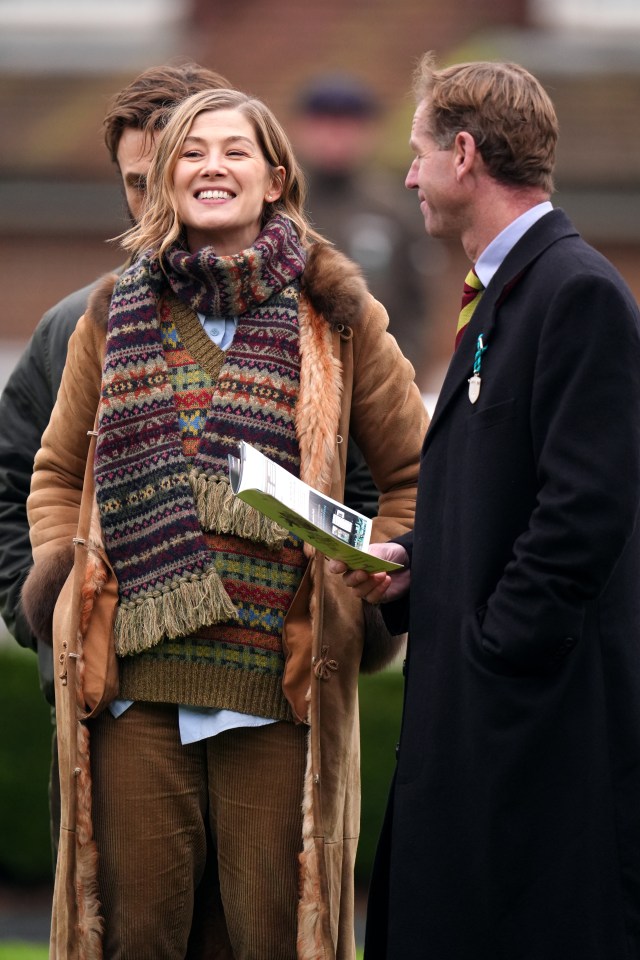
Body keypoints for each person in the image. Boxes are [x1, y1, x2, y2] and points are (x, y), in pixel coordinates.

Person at [23, 87, 428, 959]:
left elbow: (415, 475)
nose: (212, 166)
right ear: (165, 180)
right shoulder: (111, 310)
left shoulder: (340, 318)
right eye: (191, 152)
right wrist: (60, 575)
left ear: (276, 178)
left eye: (235, 151)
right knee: (135, 940)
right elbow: (55, 470)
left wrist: (371, 574)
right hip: (129, 698)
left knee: (275, 940)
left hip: (275, 705)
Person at [330, 53, 640, 959]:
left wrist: (495, 648)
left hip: (529, 730)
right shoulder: (508, 290)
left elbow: (584, 510)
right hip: (483, 723)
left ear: (464, 155)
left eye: (421, 152)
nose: (409, 175)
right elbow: (491, 494)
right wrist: (415, 568)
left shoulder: (575, 291)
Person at [0, 64, 231, 882]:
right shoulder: (74, 328)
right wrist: (43, 609)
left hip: (263, 708)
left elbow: (378, 486)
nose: (155, 203)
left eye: (168, 175)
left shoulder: (316, 315)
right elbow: (11, 476)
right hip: (111, 701)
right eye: (137, 184)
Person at [290, 72, 434, 383]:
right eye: (325, 122)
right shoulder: (281, 202)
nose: (335, 135)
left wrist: (398, 373)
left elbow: (417, 305)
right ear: (302, 128)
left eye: (346, 124)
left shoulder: (393, 209)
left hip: (373, 376)